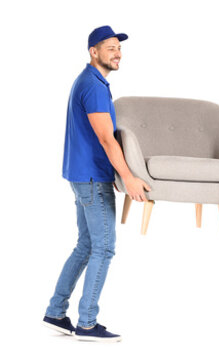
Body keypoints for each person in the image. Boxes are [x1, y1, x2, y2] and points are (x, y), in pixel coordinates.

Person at [42, 25, 150, 343]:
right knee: (103, 247)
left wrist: (114, 174)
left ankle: (55, 312)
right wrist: (128, 177)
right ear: (94, 51)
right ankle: (87, 323)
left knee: (86, 246)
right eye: (111, 47)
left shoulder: (90, 81)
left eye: (119, 48)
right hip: (90, 178)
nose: (118, 53)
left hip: (82, 175)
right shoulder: (94, 86)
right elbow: (105, 138)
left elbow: (100, 138)